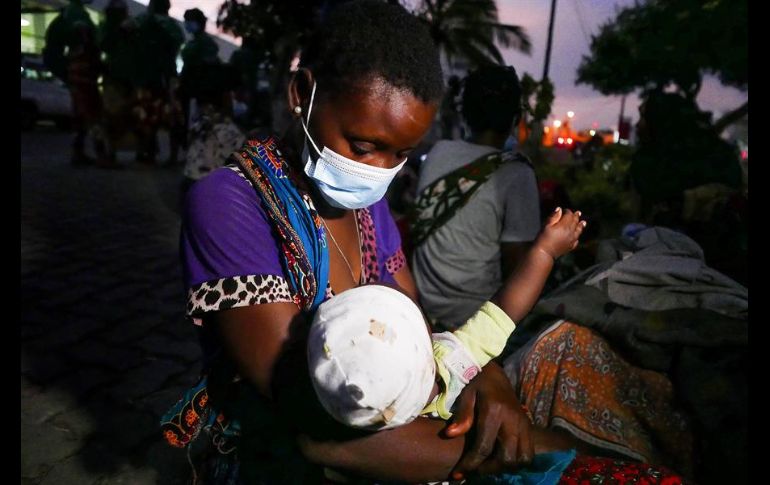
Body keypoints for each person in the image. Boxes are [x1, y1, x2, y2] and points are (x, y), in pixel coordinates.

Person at [160, 2, 690, 483]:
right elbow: (317, 423)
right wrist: (550, 458)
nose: (378, 171)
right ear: (303, 94)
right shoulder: (231, 204)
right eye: (365, 145)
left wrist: (485, 375)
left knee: (574, 351)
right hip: (292, 462)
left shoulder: (368, 207)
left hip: (398, 424)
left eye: (400, 154)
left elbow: (417, 321)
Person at [309, 206, 585, 430]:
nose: (395, 285)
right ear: (426, 352)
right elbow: (505, 309)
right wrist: (544, 252)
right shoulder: (449, 364)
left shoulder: (365, 431)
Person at [412, 65, 541, 330]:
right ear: (516, 118)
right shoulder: (516, 173)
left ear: (466, 113)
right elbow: (518, 265)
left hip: (421, 307)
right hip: (473, 321)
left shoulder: (439, 152)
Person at [43, 0, 112, 167]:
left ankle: (78, 152)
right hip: (84, 76)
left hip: (77, 75)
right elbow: (90, 43)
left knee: (81, 117)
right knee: (94, 115)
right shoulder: (77, 16)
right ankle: (100, 154)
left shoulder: (70, 14)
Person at [131, 0, 185, 164]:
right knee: (170, 116)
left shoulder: (141, 21)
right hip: (166, 76)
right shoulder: (173, 26)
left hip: (145, 76)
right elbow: (178, 44)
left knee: (144, 115)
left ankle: (145, 151)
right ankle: (171, 155)